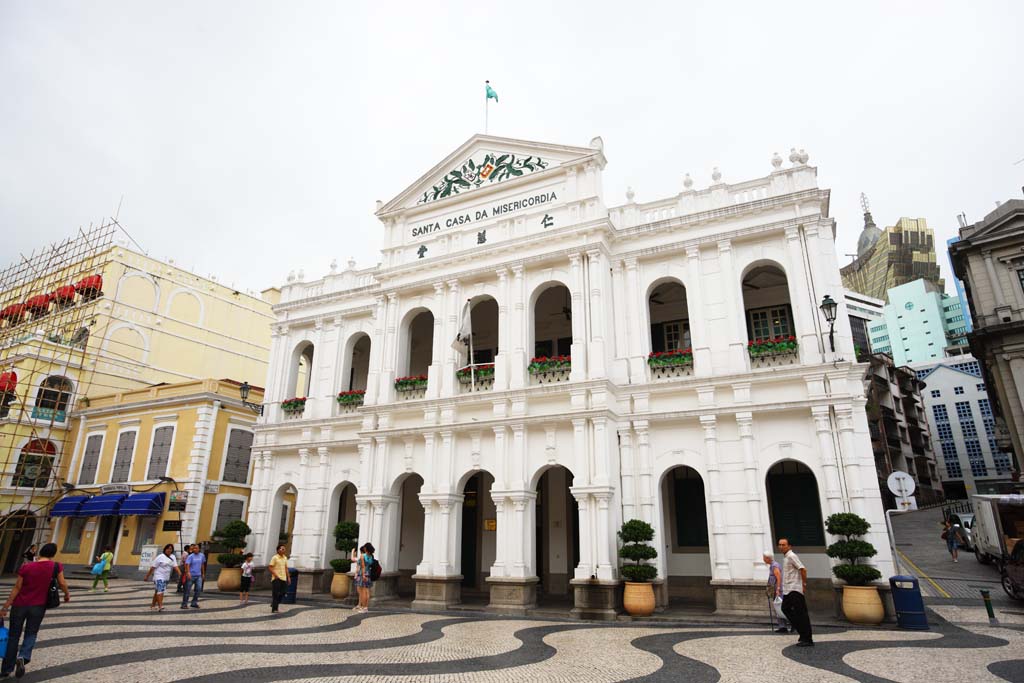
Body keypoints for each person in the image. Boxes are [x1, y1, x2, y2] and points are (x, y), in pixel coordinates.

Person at [0, 542, 70, 679]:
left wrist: (5, 606)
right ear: (53, 554)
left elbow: (17, 587)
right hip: (38, 606)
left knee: (13, 636)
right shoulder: (56, 566)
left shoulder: (26, 567)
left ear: (41, 552)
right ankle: (23, 656)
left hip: (19, 605)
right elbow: (62, 583)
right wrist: (67, 594)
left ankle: (6, 669)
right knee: (31, 633)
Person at [777, 538, 813, 647]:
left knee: (801, 614)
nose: (781, 546)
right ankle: (801, 631)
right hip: (788, 590)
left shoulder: (792, 556)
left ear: (789, 546)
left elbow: (803, 569)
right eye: (780, 545)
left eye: (784, 544)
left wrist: (804, 584)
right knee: (785, 609)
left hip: (795, 589)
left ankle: (807, 638)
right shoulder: (786, 557)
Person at [143, 544, 179, 612]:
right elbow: (153, 567)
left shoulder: (173, 557)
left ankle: (153, 605)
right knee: (160, 591)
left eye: (171, 549)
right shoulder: (160, 557)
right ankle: (160, 606)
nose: (169, 550)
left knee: (157, 591)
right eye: (168, 548)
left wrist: (180, 573)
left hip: (166, 577)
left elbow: (175, 566)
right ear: (165, 549)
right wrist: (147, 576)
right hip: (159, 576)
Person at [763, 550, 790, 633]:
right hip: (776, 590)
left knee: (781, 608)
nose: (763, 559)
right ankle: (783, 626)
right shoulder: (772, 565)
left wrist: (778, 589)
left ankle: (792, 624)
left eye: (764, 558)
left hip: (779, 591)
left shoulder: (774, 566)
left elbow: (779, 578)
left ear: (768, 558)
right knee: (778, 609)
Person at [180, 544, 206, 609]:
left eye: (196, 548)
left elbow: (202, 564)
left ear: (199, 549)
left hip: (198, 575)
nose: (195, 549)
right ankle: (184, 604)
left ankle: (194, 603)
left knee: (198, 589)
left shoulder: (202, 555)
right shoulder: (190, 556)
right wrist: (188, 572)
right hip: (191, 575)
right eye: (194, 548)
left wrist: (203, 573)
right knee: (187, 590)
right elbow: (187, 564)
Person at [353, 543, 376, 614]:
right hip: (369, 573)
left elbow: (363, 566)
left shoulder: (363, 556)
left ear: (366, 548)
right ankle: (366, 607)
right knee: (367, 591)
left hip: (363, 574)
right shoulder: (371, 556)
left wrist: (363, 575)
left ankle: (363, 607)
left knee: (362, 592)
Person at [269, 545, 289, 614]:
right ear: (278, 550)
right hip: (276, 578)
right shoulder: (275, 558)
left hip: (283, 578)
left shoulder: (285, 558)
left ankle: (274, 603)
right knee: (276, 594)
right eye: (282, 549)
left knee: (284, 592)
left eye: (284, 549)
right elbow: (270, 567)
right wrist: (275, 575)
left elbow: (286, 568)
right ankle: (275, 609)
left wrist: (288, 577)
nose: (283, 550)